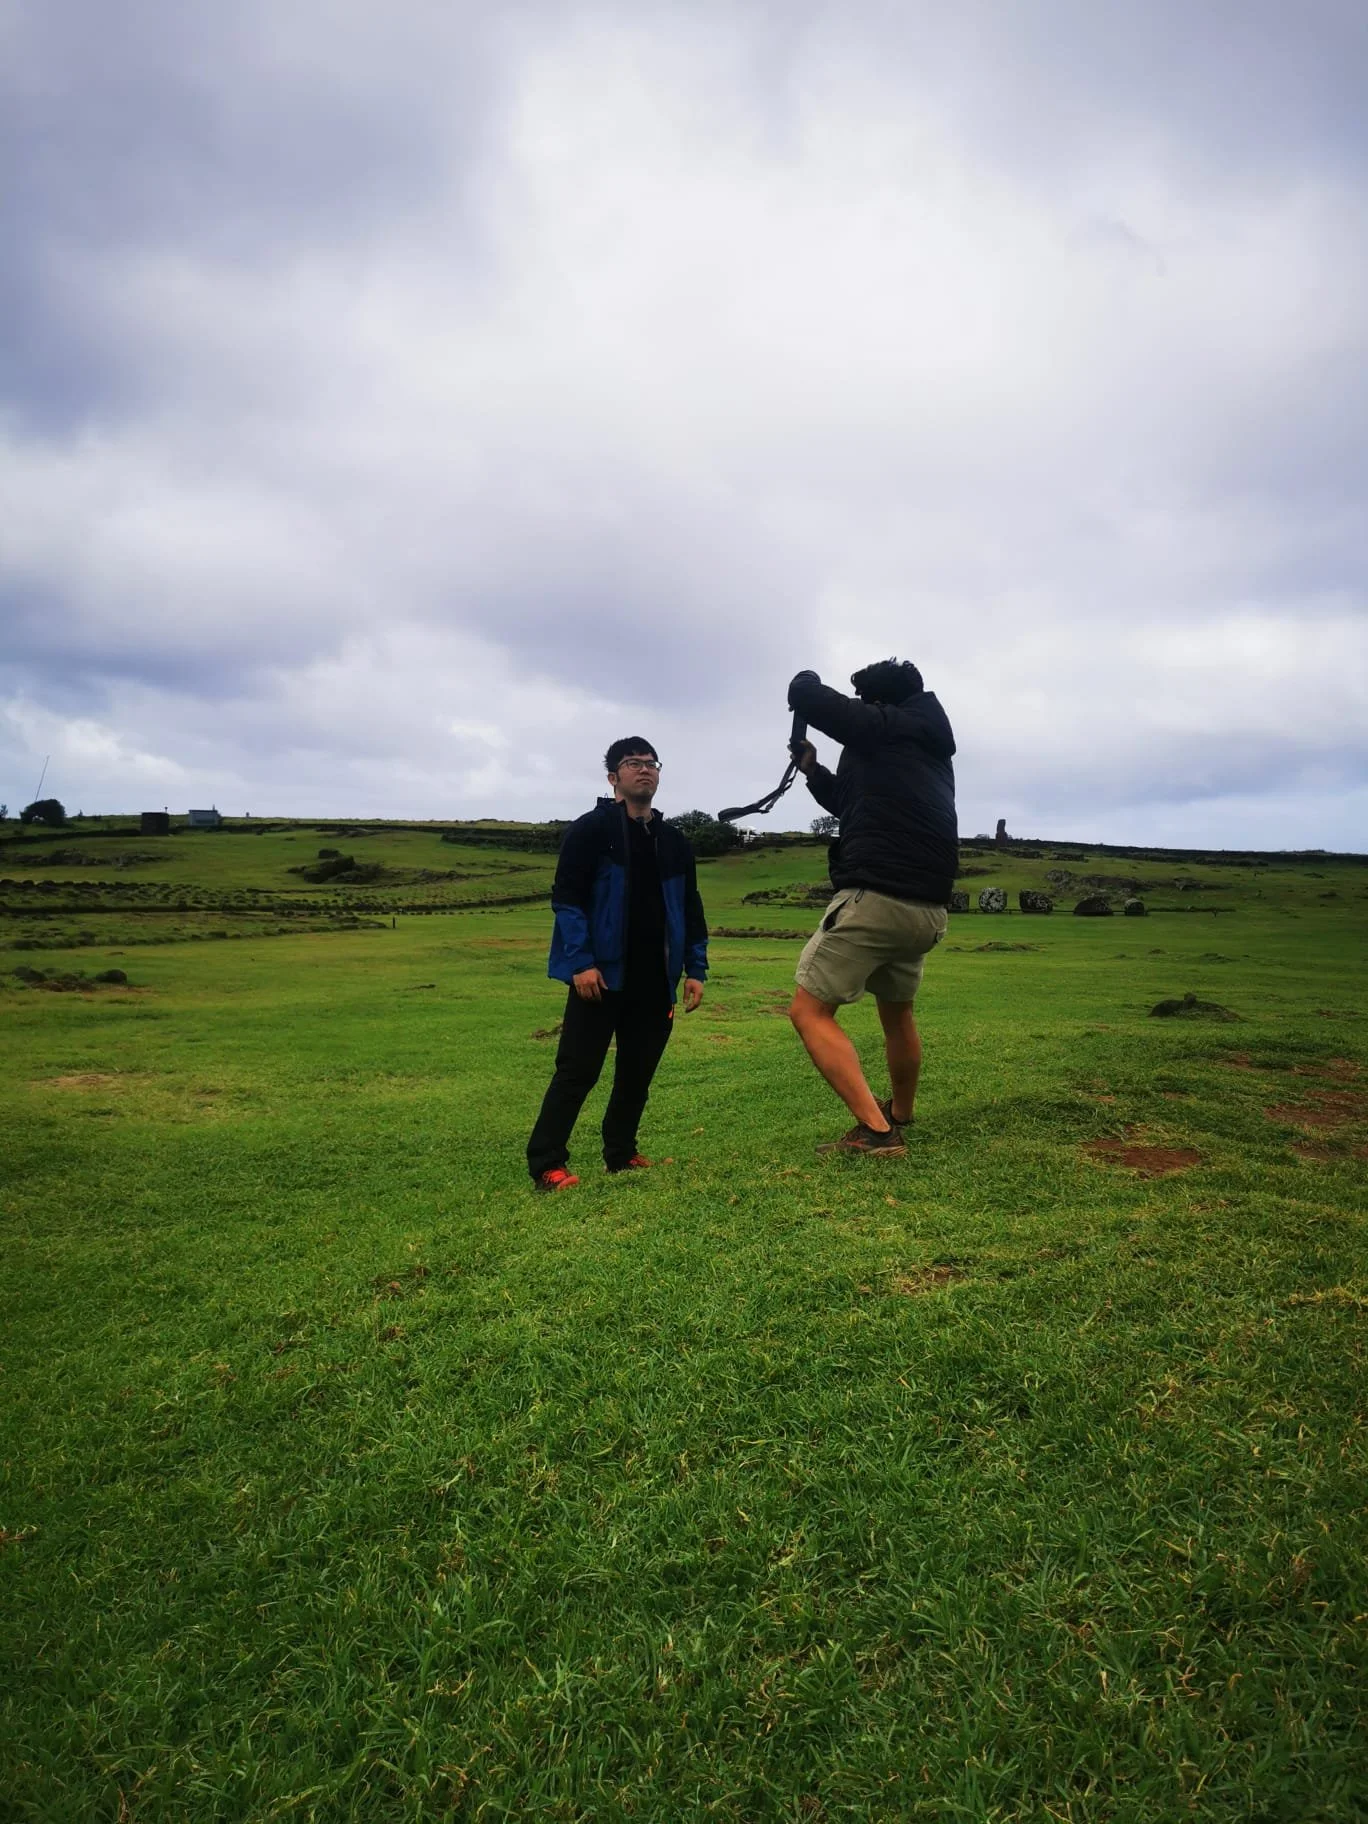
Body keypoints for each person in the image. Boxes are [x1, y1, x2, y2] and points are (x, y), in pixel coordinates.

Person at [785, 659, 958, 1156]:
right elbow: (852, 804)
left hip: (876, 899)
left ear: (880, 702)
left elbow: (814, 700)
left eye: (866, 701)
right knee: (897, 1015)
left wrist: (804, 681)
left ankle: (877, 1132)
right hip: (926, 911)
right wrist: (812, 769)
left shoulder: (893, 723)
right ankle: (900, 1112)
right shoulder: (920, 746)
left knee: (808, 1012)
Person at [526, 738, 708, 1191]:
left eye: (651, 763)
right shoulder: (591, 830)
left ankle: (621, 1154)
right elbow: (567, 901)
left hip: (656, 980)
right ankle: (547, 1163)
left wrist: (696, 969)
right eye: (632, 763)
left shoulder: (673, 841)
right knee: (577, 1072)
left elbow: (691, 907)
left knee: (636, 1073)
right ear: (613, 777)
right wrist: (581, 963)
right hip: (600, 977)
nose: (645, 770)